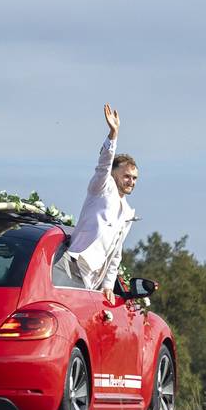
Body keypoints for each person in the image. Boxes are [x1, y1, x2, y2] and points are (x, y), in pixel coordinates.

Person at [66, 104, 139, 304]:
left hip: (95, 280)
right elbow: (103, 165)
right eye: (126, 176)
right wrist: (113, 134)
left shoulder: (128, 212)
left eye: (134, 178)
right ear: (114, 173)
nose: (130, 181)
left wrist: (108, 284)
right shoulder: (102, 187)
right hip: (74, 266)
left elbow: (117, 251)